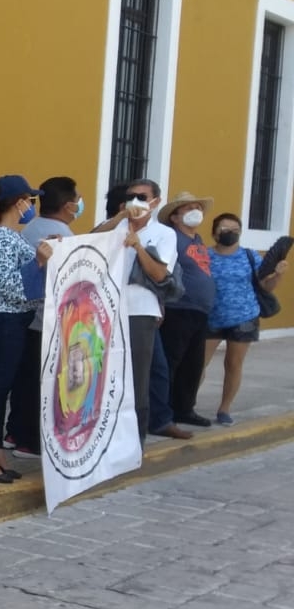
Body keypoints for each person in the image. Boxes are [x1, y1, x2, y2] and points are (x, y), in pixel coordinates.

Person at [0, 177, 53, 483]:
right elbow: (11, 287)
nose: (32, 206)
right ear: (18, 202)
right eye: (30, 200)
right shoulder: (2, 238)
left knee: (1, 388)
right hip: (4, 320)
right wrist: (39, 264)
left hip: (14, 320)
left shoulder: (10, 236)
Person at [3, 175, 82, 456]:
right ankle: (29, 440)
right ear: (69, 206)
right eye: (77, 200)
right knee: (41, 384)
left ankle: (14, 433)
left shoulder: (30, 228)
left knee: (24, 381)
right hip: (46, 321)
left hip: (27, 318)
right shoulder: (64, 239)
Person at [94, 179, 178, 442]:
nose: (137, 202)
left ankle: (133, 443)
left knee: (136, 379)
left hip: (139, 312)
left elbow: (160, 273)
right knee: (104, 375)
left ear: (156, 201)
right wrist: (120, 217)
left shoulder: (164, 234)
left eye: (142, 197)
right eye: (132, 197)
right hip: (106, 310)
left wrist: (138, 246)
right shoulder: (116, 226)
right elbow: (90, 239)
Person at [203, 212, 287, 425]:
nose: (229, 233)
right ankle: (186, 405)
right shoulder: (204, 255)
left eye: (234, 230)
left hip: (244, 317)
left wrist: (277, 275)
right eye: (224, 229)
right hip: (211, 317)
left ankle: (224, 409)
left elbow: (265, 286)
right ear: (214, 233)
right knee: (198, 364)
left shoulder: (250, 256)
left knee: (233, 363)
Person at [156, 191, 217, 428]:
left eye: (198, 207)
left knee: (193, 363)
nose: (196, 212)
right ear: (174, 216)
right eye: (189, 207)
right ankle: (164, 410)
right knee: (172, 361)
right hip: (178, 307)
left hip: (199, 310)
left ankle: (184, 408)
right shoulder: (172, 238)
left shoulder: (197, 241)